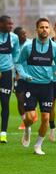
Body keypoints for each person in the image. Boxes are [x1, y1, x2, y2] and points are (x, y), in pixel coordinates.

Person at [16, 18, 56, 155]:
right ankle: (27, 128)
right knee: (30, 117)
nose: (44, 29)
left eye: (47, 27)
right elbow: (19, 63)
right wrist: (24, 75)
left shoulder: (54, 48)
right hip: (31, 86)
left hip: (47, 86)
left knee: (45, 119)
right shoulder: (28, 47)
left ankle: (38, 145)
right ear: (36, 30)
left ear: (50, 30)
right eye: (41, 27)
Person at [0, 15, 21, 143]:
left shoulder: (14, 38)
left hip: (7, 74)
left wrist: (17, 71)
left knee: (5, 103)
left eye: (11, 24)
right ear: (1, 24)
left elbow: (16, 56)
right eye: (8, 24)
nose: (11, 26)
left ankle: (3, 133)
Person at [13, 26, 32, 130]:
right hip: (18, 77)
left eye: (25, 33)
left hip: (30, 76)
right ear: (17, 36)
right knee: (20, 99)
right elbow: (12, 61)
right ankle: (24, 120)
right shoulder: (13, 45)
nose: (25, 35)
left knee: (29, 100)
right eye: (22, 34)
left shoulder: (30, 44)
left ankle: (31, 116)